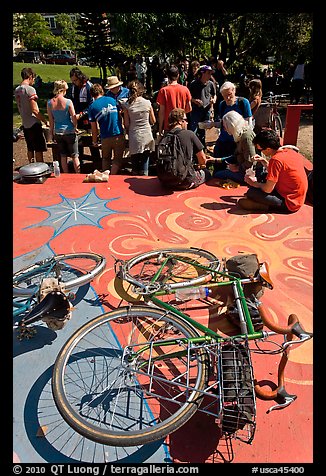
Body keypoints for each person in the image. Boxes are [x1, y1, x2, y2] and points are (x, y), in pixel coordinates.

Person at [239, 129, 308, 213]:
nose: (261, 152)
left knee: (252, 192)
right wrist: (264, 161)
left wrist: (253, 183)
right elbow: (278, 172)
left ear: (268, 149)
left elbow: (268, 189)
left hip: (289, 203)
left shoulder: (276, 160)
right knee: (264, 176)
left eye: (261, 150)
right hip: (298, 197)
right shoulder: (289, 152)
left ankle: (265, 206)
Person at [158, 108, 212, 190]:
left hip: (166, 182)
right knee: (207, 173)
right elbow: (202, 159)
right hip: (185, 181)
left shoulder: (164, 137)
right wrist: (201, 166)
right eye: (185, 120)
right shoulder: (189, 134)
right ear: (180, 121)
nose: (187, 122)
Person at [210, 110, 257, 184]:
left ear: (231, 125)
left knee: (218, 175)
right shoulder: (241, 135)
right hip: (244, 169)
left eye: (226, 127)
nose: (225, 130)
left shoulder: (246, 137)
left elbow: (251, 161)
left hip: (249, 173)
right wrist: (215, 160)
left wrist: (237, 168)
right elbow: (236, 156)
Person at [88, 83, 125, 174]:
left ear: (92, 95)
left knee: (105, 159)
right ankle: (112, 176)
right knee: (117, 159)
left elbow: (94, 128)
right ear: (102, 91)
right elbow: (119, 116)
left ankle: (105, 175)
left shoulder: (92, 107)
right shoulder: (112, 100)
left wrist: (95, 141)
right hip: (118, 133)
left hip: (105, 136)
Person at [14, 67, 49, 163]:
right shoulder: (30, 90)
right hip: (33, 123)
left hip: (25, 122)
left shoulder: (17, 90)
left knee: (30, 148)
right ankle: (40, 168)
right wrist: (45, 121)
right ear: (30, 76)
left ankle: (31, 165)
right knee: (38, 148)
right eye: (33, 78)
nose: (34, 80)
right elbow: (35, 110)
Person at [122, 80, 156, 175]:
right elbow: (153, 120)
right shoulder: (147, 103)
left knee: (135, 164)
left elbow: (126, 124)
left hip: (134, 135)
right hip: (146, 135)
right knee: (145, 162)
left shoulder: (127, 105)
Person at [213, 81, 252, 161]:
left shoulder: (243, 103)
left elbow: (248, 122)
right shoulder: (222, 105)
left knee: (234, 160)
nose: (227, 98)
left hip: (237, 139)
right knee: (217, 154)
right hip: (224, 138)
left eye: (229, 95)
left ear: (234, 91)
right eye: (225, 96)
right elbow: (222, 122)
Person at [47, 80, 80, 173]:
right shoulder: (68, 102)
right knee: (75, 155)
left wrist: (51, 133)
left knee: (63, 155)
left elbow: (51, 120)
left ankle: (65, 175)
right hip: (69, 131)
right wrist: (75, 127)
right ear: (63, 90)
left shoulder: (50, 103)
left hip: (58, 131)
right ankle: (78, 173)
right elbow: (74, 117)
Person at [69, 67, 100, 161]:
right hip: (77, 117)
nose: (74, 82)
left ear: (80, 77)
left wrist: (82, 114)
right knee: (78, 141)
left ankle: (96, 161)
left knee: (91, 140)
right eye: (72, 81)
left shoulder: (88, 87)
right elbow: (73, 100)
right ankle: (80, 161)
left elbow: (91, 104)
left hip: (88, 117)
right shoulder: (74, 87)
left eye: (75, 80)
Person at [156, 65, 192, 137]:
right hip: (182, 125)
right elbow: (189, 108)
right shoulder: (185, 89)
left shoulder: (164, 91)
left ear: (167, 76)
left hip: (169, 125)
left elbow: (161, 112)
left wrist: (160, 129)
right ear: (178, 75)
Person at [188, 65, 217, 148]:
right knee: (193, 129)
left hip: (206, 110)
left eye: (210, 73)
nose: (209, 75)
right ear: (202, 73)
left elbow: (214, 95)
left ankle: (202, 147)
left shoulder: (211, 84)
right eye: (208, 73)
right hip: (196, 110)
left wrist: (213, 100)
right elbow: (188, 97)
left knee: (203, 131)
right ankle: (192, 147)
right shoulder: (194, 84)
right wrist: (194, 100)